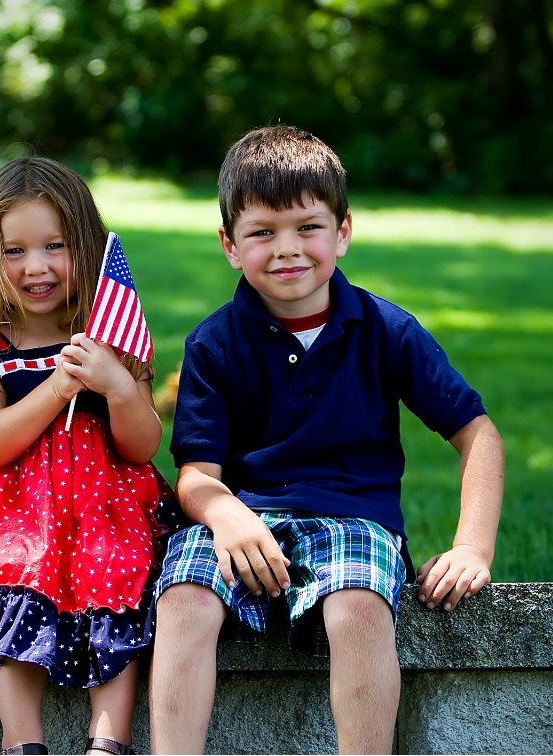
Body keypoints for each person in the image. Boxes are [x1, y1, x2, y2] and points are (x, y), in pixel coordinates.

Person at [148, 126, 504, 754]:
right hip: (241, 522)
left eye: (307, 227)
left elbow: (477, 432)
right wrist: (225, 513)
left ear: (342, 231)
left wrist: (472, 546)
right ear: (230, 246)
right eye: (262, 233)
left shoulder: (387, 330)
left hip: (353, 515)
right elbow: (197, 476)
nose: (287, 250)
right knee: (182, 599)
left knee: (359, 607)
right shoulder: (214, 343)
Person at [0, 157, 181, 756]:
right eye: (14, 250)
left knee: (118, 581)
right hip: (18, 516)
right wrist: (59, 388)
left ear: (87, 247)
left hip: (108, 508)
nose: (36, 267)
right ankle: (22, 743)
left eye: (56, 245)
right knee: (9, 584)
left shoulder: (107, 331)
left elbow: (143, 445)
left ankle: (109, 740)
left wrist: (118, 385)